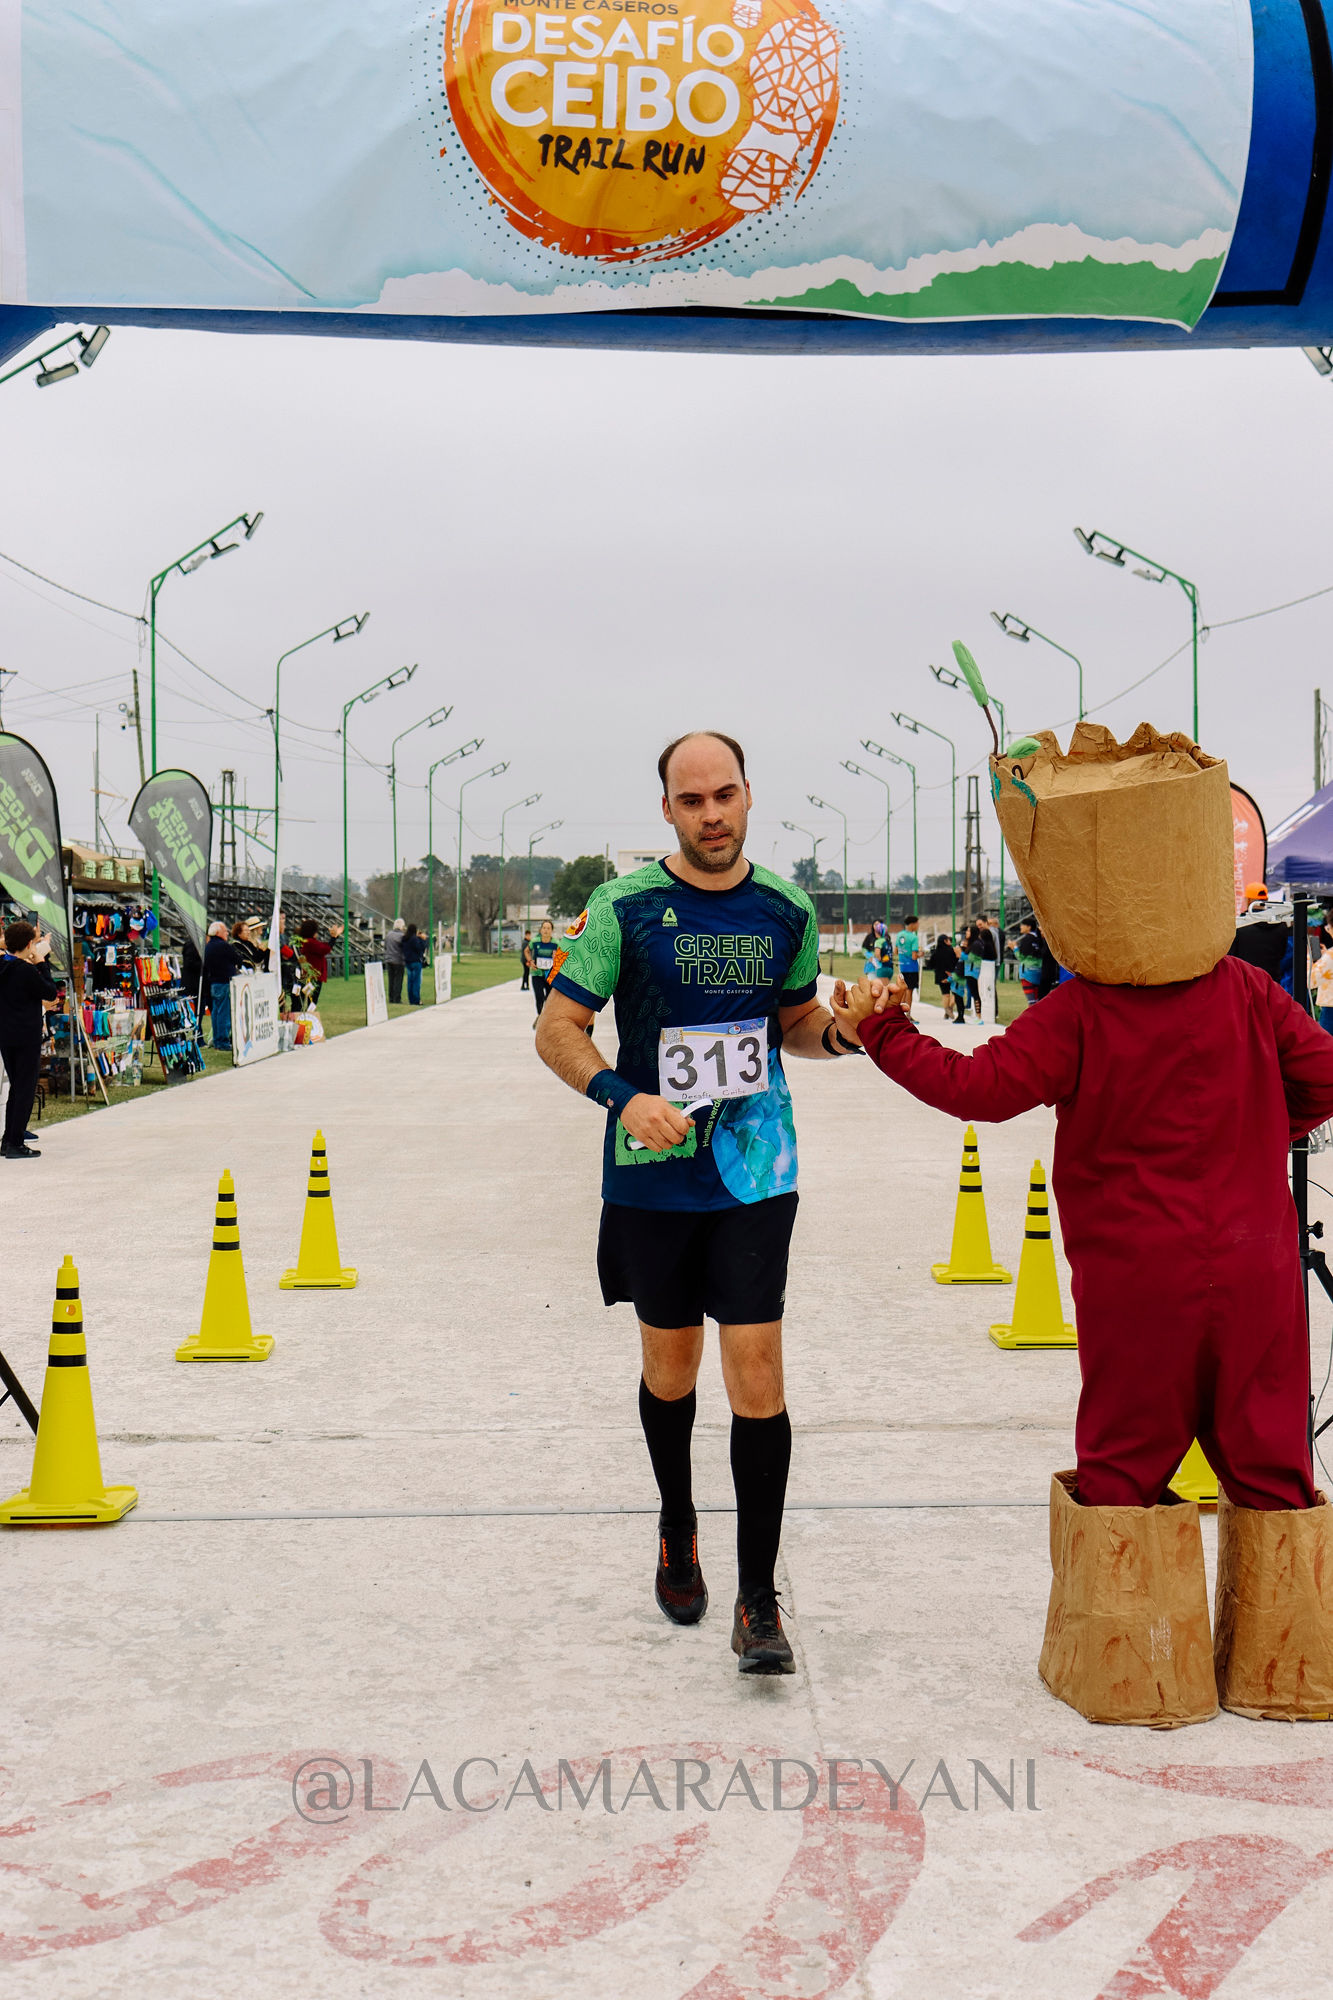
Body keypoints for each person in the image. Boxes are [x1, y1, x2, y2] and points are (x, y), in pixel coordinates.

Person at [833, 901, 1333, 1727]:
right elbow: (1322, 1073)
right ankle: (1286, 1677)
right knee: (1271, 1459)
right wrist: (1260, 1135)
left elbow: (979, 1089)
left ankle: (1136, 1680)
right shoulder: (1245, 989)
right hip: (1256, 1258)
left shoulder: (1081, 1008)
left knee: (1125, 1466)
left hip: (1138, 1272)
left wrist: (885, 1035)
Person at [535, 729, 863, 1677]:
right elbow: (559, 1027)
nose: (711, 814)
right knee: (671, 1373)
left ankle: (758, 1601)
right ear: (668, 812)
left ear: (750, 795)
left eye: (725, 795)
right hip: (651, 1175)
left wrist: (844, 1035)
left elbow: (794, 1025)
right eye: (692, 801)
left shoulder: (785, 908)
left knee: (757, 1374)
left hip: (755, 1171)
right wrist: (622, 1096)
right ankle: (678, 1525)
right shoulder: (622, 907)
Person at [0, 921, 59, 1158]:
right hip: (26, 1035)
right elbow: (50, 992)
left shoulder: (3, 965)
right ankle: (15, 1142)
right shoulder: (25, 971)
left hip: (6, 1034)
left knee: (17, 1086)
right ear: (28, 945)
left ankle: (8, 1138)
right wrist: (42, 964)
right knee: (24, 1089)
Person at [202, 920, 242, 1051]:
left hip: (214, 982)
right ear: (218, 932)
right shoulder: (224, 946)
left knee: (216, 1012)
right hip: (224, 981)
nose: (227, 933)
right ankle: (223, 1041)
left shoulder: (208, 946)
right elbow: (237, 959)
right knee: (224, 1013)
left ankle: (217, 1040)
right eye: (225, 931)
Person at [297, 916, 344, 1006]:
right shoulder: (310, 942)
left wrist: (334, 937)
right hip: (313, 976)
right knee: (312, 1001)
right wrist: (333, 937)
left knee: (308, 1000)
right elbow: (325, 949)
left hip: (311, 975)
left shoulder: (308, 941)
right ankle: (310, 1017)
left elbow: (324, 946)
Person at [530, 918, 557, 1021]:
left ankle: (547, 1017)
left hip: (550, 975)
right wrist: (530, 961)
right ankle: (540, 1016)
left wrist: (556, 958)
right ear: (541, 930)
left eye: (548, 928)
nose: (546, 930)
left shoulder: (556, 943)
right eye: (544, 928)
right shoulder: (534, 941)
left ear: (552, 931)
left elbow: (562, 957)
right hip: (537, 973)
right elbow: (526, 951)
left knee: (550, 998)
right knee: (539, 996)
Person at [927, 931, 958, 1017]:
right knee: (956, 993)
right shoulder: (952, 951)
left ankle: (946, 1010)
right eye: (948, 940)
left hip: (940, 975)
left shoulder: (936, 952)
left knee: (945, 994)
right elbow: (956, 962)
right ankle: (950, 1008)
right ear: (945, 941)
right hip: (951, 975)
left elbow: (930, 965)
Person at [1016, 918, 1044, 1006]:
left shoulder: (1026, 939)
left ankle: (1032, 1019)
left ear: (1028, 927)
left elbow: (1021, 957)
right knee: (1036, 999)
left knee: (1031, 1001)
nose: (1020, 927)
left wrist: (1014, 948)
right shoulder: (1039, 939)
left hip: (1027, 973)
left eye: (1022, 925)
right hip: (1038, 972)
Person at [893, 919, 919, 1016]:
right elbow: (914, 956)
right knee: (909, 991)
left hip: (902, 966)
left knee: (903, 990)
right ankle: (908, 1014)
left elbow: (895, 951)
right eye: (917, 923)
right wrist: (920, 954)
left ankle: (901, 1013)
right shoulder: (913, 937)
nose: (918, 925)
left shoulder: (900, 935)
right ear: (912, 924)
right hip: (911, 967)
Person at [400, 922, 426, 1005]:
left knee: (410, 981)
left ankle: (411, 999)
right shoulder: (414, 939)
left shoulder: (404, 939)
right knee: (416, 982)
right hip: (416, 961)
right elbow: (420, 948)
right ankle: (416, 999)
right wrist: (423, 939)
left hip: (408, 962)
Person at [384, 917, 407, 1003]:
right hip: (398, 960)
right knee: (398, 980)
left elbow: (385, 946)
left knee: (391, 979)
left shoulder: (389, 934)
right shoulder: (402, 936)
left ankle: (391, 997)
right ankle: (397, 998)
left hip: (389, 959)